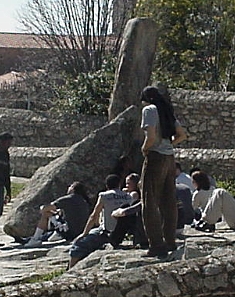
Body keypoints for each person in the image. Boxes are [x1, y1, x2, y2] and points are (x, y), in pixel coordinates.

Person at [139, 86, 188, 258]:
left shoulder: (149, 110)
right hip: (170, 158)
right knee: (169, 201)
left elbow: (150, 136)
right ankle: (170, 241)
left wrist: (144, 149)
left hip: (156, 157)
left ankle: (156, 245)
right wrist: (169, 145)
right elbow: (181, 134)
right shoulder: (165, 109)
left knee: (150, 200)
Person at [68, 174, 132, 268]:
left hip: (107, 233)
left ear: (107, 185)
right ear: (119, 184)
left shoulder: (104, 196)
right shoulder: (128, 197)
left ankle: (70, 269)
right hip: (124, 233)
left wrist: (84, 233)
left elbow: (94, 216)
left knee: (78, 245)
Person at [22, 181, 93, 248]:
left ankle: (35, 239)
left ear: (73, 189)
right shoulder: (84, 201)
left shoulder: (67, 199)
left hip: (70, 232)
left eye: (70, 186)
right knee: (55, 219)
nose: (68, 187)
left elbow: (46, 208)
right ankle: (30, 239)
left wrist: (42, 208)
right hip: (80, 232)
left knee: (46, 214)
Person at [109, 173, 148, 249]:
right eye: (126, 183)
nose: (126, 185)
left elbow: (130, 208)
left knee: (124, 209)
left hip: (138, 223)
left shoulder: (135, 194)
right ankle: (115, 238)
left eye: (129, 184)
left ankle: (114, 239)